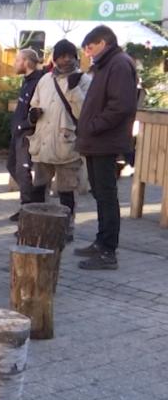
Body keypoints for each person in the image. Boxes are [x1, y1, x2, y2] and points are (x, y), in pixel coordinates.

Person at [74, 25, 139, 270]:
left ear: (104, 42)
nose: (88, 52)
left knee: (107, 195)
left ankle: (108, 251)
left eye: (90, 46)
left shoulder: (119, 64)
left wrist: (93, 126)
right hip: (97, 140)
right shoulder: (106, 64)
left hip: (105, 140)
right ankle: (102, 242)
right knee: (100, 194)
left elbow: (121, 105)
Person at [27, 39, 90, 242]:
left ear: (75, 57)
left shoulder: (84, 80)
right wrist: (33, 114)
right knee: (38, 187)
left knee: (66, 191)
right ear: (55, 59)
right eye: (62, 56)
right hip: (44, 142)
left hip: (67, 144)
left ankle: (66, 228)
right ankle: (35, 224)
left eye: (69, 55)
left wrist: (74, 91)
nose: (66, 60)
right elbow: (34, 102)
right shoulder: (45, 79)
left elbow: (85, 113)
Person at [6, 48, 45, 220]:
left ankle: (28, 206)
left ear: (27, 62)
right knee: (11, 165)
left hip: (28, 133)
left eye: (17, 60)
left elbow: (39, 109)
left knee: (23, 169)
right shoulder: (27, 80)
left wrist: (27, 124)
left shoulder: (39, 82)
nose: (14, 63)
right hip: (18, 131)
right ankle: (31, 199)